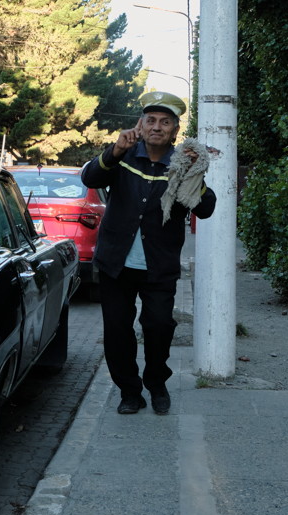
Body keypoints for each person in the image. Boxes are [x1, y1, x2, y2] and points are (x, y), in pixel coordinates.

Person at [81, 91, 217, 415]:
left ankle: (157, 384)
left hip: (159, 266)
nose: (157, 127)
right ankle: (130, 391)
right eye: (151, 120)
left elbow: (207, 208)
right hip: (117, 263)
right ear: (141, 125)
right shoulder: (123, 156)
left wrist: (194, 175)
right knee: (116, 332)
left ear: (174, 131)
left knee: (157, 327)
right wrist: (114, 151)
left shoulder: (182, 164)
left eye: (165, 122)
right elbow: (90, 176)